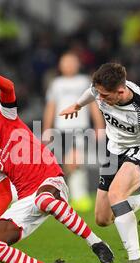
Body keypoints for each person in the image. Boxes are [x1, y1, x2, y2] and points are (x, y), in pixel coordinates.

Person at [0, 56, 114, 263]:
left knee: (44, 198)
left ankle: (96, 243)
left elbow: (8, 87)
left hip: (51, 182)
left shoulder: (4, 117)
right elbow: (3, 195)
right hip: (26, 199)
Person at [60, 63, 140, 263]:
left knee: (116, 194)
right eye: (98, 93)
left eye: (105, 96)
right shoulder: (100, 90)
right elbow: (90, 92)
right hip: (112, 151)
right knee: (102, 218)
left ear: (121, 91)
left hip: (138, 152)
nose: (100, 99)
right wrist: (78, 105)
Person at [42, 52, 105, 212]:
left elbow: (93, 105)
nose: (69, 65)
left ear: (78, 64)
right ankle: (74, 195)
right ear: (60, 65)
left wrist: (99, 125)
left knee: (74, 160)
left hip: (79, 128)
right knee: (66, 164)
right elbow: (51, 107)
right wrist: (46, 129)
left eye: (72, 62)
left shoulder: (84, 81)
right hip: (60, 129)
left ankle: (77, 196)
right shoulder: (56, 83)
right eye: (65, 62)